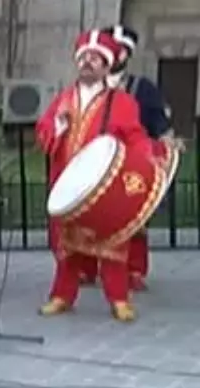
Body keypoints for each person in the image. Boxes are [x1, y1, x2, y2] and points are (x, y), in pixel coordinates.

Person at [36, 30, 155, 323]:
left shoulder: (122, 102)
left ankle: (118, 299)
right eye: (85, 58)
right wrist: (57, 128)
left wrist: (148, 158)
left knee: (111, 244)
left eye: (96, 59)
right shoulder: (63, 99)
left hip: (105, 185)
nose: (89, 63)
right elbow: (43, 133)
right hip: (69, 185)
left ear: (106, 65)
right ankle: (62, 296)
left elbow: (136, 138)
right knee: (67, 245)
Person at [75, 25, 173, 292]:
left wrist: (163, 147)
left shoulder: (142, 88)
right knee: (87, 215)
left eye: (121, 50)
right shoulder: (89, 85)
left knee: (132, 219)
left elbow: (160, 127)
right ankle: (85, 268)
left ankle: (134, 270)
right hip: (92, 161)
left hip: (129, 162)